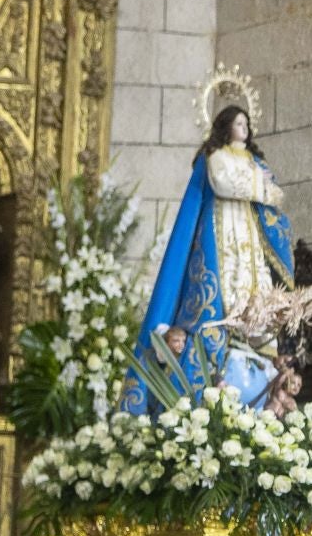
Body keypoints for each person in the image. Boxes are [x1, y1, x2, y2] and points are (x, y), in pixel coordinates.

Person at [125, 104, 293, 414]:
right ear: (226, 126)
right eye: (238, 123)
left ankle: (252, 329)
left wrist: (263, 190)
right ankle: (222, 330)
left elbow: (275, 192)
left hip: (246, 229)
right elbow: (224, 184)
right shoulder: (216, 157)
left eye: (246, 123)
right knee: (224, 283)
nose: (244, 128)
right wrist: (259, 188)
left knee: (252, 275)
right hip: (222, 228)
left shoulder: (255, 161)